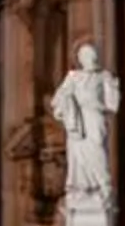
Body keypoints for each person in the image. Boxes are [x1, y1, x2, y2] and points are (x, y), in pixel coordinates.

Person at [50, 41, 119, 205]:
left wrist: (113, 88)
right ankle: (80, 189)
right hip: (77, 121)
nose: (89, 57)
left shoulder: (104, 76)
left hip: (95, 117)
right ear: (80, 58)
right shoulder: (73, 77)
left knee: (97, 151)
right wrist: (67, 100)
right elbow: (57, 100)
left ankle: (103, 186)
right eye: (85, 55)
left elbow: (112, 105)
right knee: (78, 157)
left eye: (91, 54)